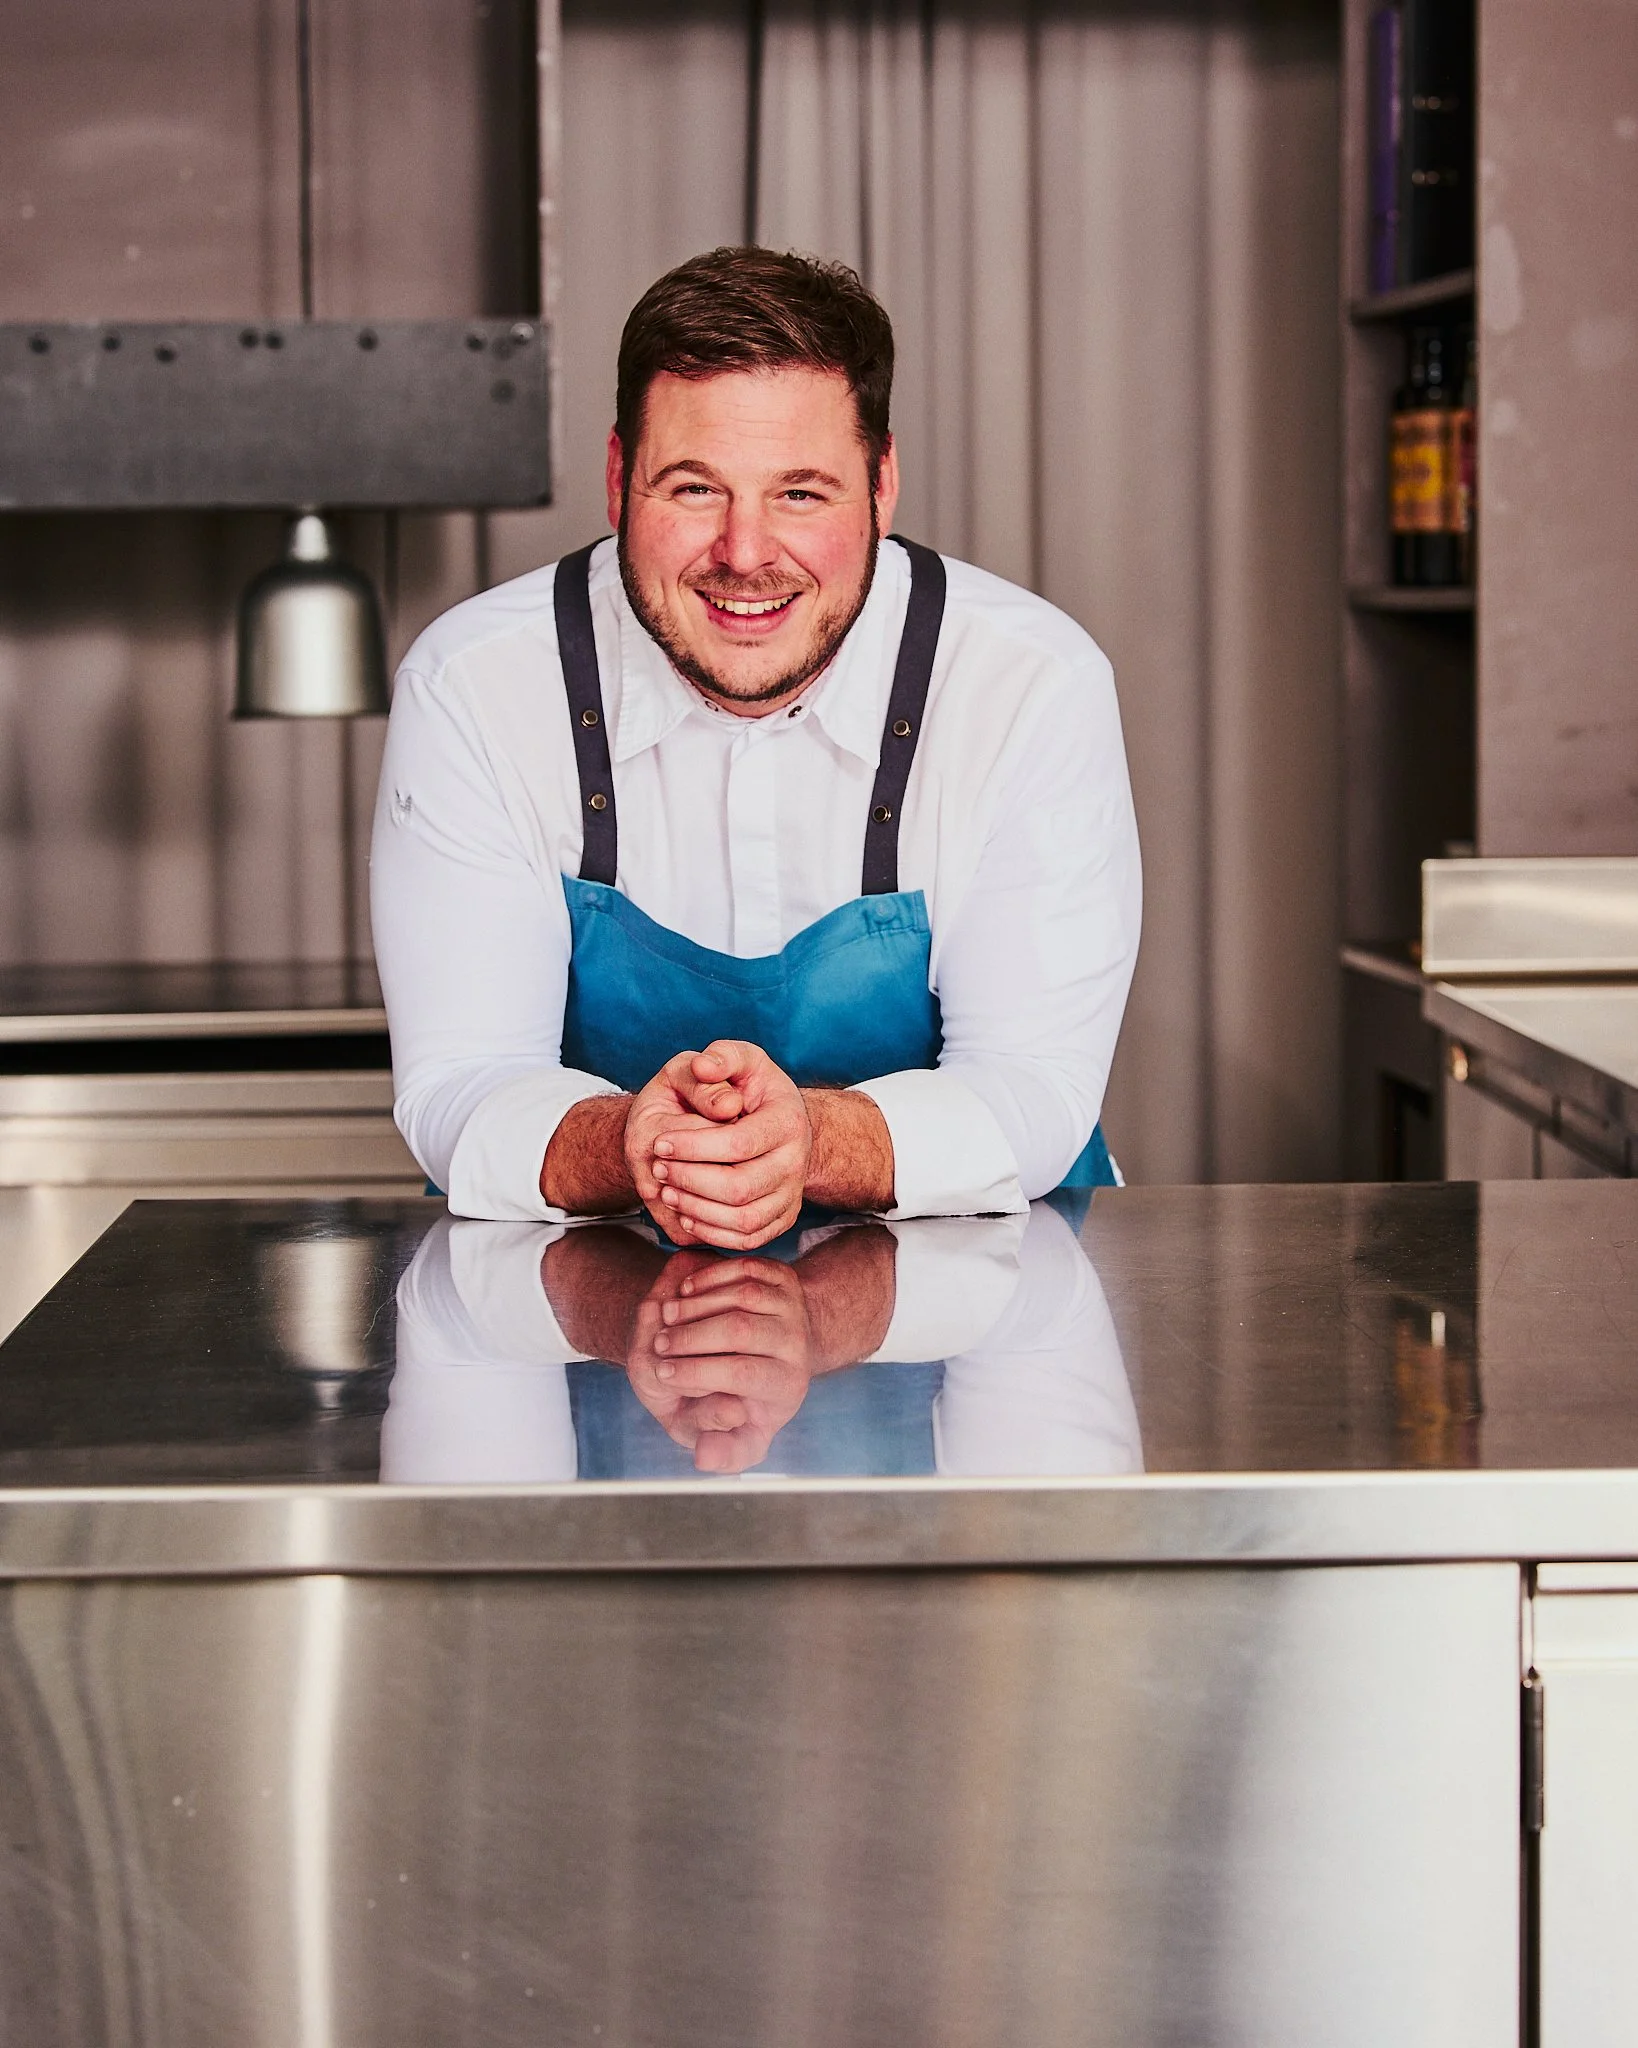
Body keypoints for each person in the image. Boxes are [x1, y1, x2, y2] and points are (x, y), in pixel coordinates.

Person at [371, 247, 1140, 1247]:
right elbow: (461, 1080)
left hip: (989, 1291)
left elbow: (1035, 1083)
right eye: (693, 487)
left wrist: (808, 1140)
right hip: (589, 1295)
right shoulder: (475, 686)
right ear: (617, 479)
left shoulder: (1032, 684)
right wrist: (634, 1141)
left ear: (883, 483)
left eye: (802, 493)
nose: (744, 553)